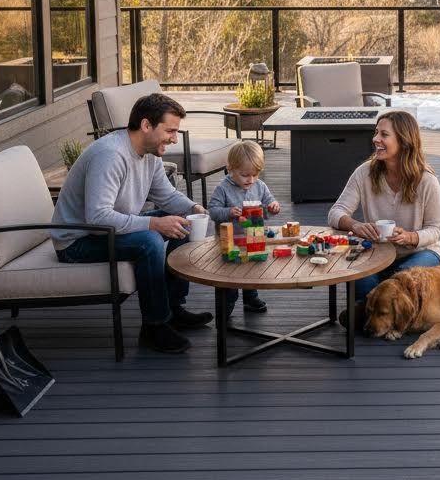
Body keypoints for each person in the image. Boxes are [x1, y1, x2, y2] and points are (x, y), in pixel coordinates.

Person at [51, 93, 213, 354]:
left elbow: (166, 195)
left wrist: (193, 209)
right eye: (170, 131)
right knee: (150, 240)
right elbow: (97, 217)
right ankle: (155, 326)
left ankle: (173, 308)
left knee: (182, 223)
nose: (174, 139)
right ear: (146, 125)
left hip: (108, 230)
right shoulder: (110, 155)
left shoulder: (150, 153)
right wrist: (153, 224)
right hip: (78, 241)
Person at [328, 110, 440, 329]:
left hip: (421, 252)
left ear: (404, 140)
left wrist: (411, 237)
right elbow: (336, 212)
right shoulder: (364, 173)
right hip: (377, 253)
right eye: (376, 133)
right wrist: (356, 225)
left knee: (406, 278)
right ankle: (386, 308)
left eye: (384, 134)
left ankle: (368, 310)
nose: (376, 139)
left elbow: (437, 229)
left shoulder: (426, 180)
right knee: (360, 278)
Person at [206, 140, 281, 322]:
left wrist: (273, 207)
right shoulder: (223, 189)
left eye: (255, 174)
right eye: (245, 175)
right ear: (230, 169)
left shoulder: (260, 186)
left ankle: (251, 298)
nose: (251, 180)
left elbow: (269, 202)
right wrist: (228, 212)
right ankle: (227, 304)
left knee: (251, 272)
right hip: (229, 241)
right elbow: (213, 211)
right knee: (230, 276)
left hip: (253, 239)